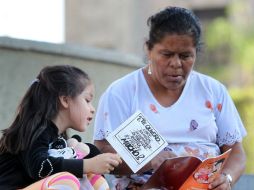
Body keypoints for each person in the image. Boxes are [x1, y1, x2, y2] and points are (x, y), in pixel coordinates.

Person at [93, 6, 247, 190]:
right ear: (149, 49)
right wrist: (148, 161)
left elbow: (236, 152)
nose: (176, 64)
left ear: (195, 53)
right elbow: (102, 153)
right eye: (166, 54)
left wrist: (226, 178)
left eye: (185, 56)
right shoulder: (121, 93)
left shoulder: (213, 91)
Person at [0, 65, 122, 190]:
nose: (92, 109)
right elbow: (39, 168)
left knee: (95, 180)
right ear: (65, 100)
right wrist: (88, 164)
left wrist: (90, 154)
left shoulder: (59, 136)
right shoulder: (36, 130)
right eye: (87, 100)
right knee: (66, 181)